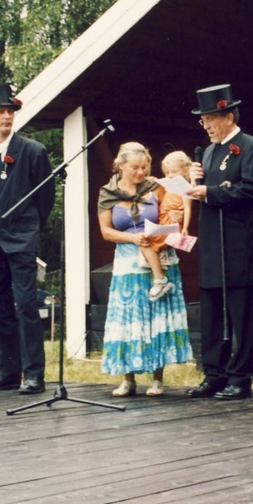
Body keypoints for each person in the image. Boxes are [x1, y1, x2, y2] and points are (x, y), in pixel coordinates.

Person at [0, 84, 54, 395]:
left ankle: (34, 375)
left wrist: (28, 228)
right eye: (0, 111)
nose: (6, 116)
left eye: (10, 111)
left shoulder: (32, 151)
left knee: (26, 305)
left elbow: (45, 199)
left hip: (20, 239)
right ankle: (8, 371)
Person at [186, 84, 253, 401]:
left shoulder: (251, 146)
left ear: (228, 117)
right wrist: (196, 182)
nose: (204, 126)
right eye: (203, 120)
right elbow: (205, 192)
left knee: (240, 313)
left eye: (209, 119)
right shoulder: (209, 151)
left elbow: (251, 188)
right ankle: (214, 373)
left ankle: (240, 377)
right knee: (211, 313)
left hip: (239, 244)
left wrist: (211, 192)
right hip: (212, 244)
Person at [97, 142, 193, 397]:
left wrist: (172, 229)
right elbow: (106, 231)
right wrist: (132, 238)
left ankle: (157, 379)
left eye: (144, 167)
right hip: (128, 262)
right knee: (129, 319)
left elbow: (178, 205)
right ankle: (128, 379)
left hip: (157, 257)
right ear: (121, 166)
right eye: (135, 168)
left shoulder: (156, 187)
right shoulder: (108, 193)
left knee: (155, 318)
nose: (140, 172)